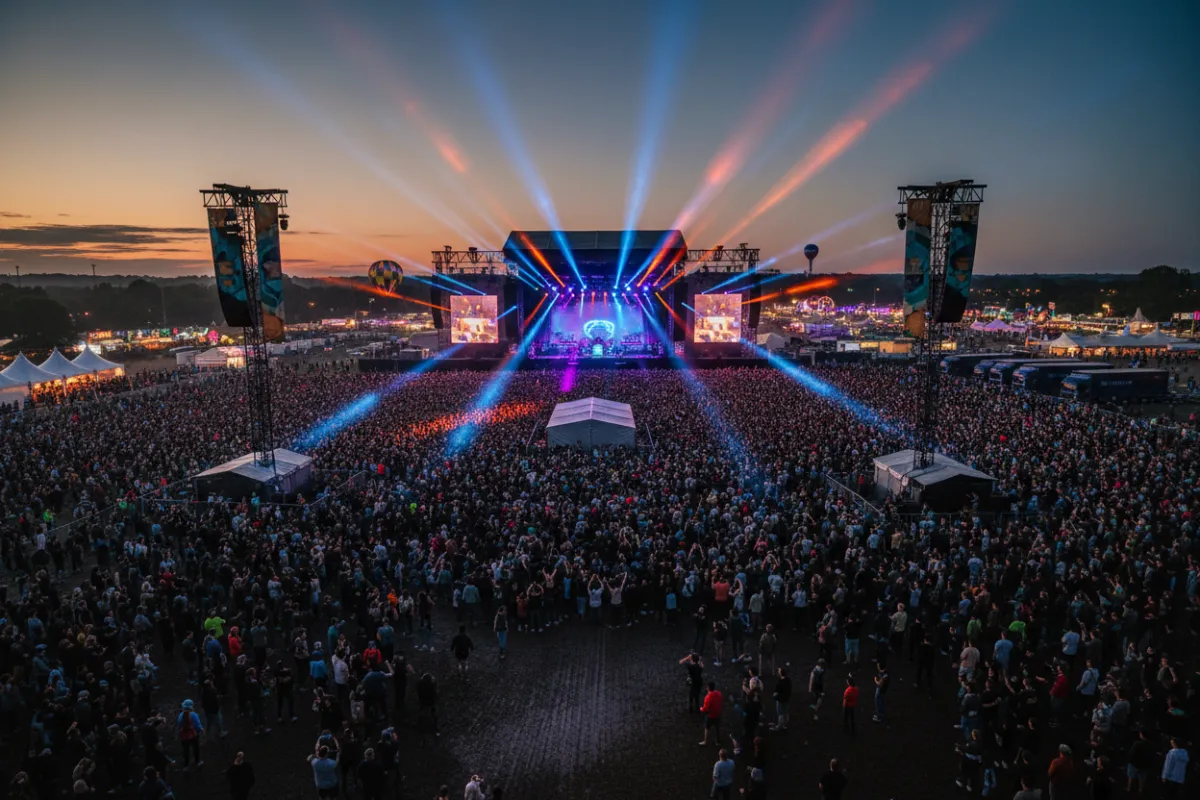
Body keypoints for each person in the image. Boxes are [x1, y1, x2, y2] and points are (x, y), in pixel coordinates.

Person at [176, 699, 204, 771]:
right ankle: (197, 761)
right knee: (196, 748)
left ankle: (186, 765)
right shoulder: (194, 715)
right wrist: (200, 731)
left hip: (184, 736)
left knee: (185, 750)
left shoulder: (180, 715)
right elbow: (198, 726)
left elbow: (179, 725)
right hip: (193, 735)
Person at [700, 682, 723, 746]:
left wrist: (701, 709)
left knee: (707, 727)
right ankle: (717, 741)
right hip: (718, 713)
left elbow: (706, 708)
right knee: (717, 728)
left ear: (708, 688)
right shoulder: (719, 694)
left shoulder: (708, 697)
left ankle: (705, 741)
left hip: (711, 715)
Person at [771, 666, 791, 731]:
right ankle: (785, 725)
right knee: (786, 712)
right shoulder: (788, 680)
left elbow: (776, 692)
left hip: (780, 700)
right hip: (786, 698)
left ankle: (779, 726)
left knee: (780, 713)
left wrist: (774, 696)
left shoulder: (780, 682)